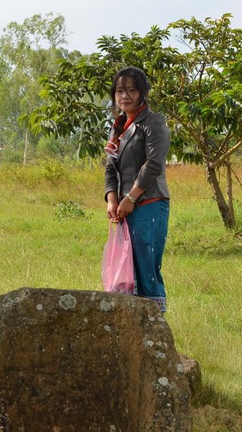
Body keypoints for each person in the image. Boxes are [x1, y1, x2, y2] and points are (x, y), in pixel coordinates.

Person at [104, 66, 171, 312]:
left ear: (143, 94)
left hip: (149, 204)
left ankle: (156, 335)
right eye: (120, 91)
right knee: (125, 273)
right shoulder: (117, 129)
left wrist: (131, 197)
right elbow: (110, 168)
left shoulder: (153, 122)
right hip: (123, 209)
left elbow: (153, 164)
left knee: (146, 270)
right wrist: (112, 200)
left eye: (132, 90)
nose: (125, 96)